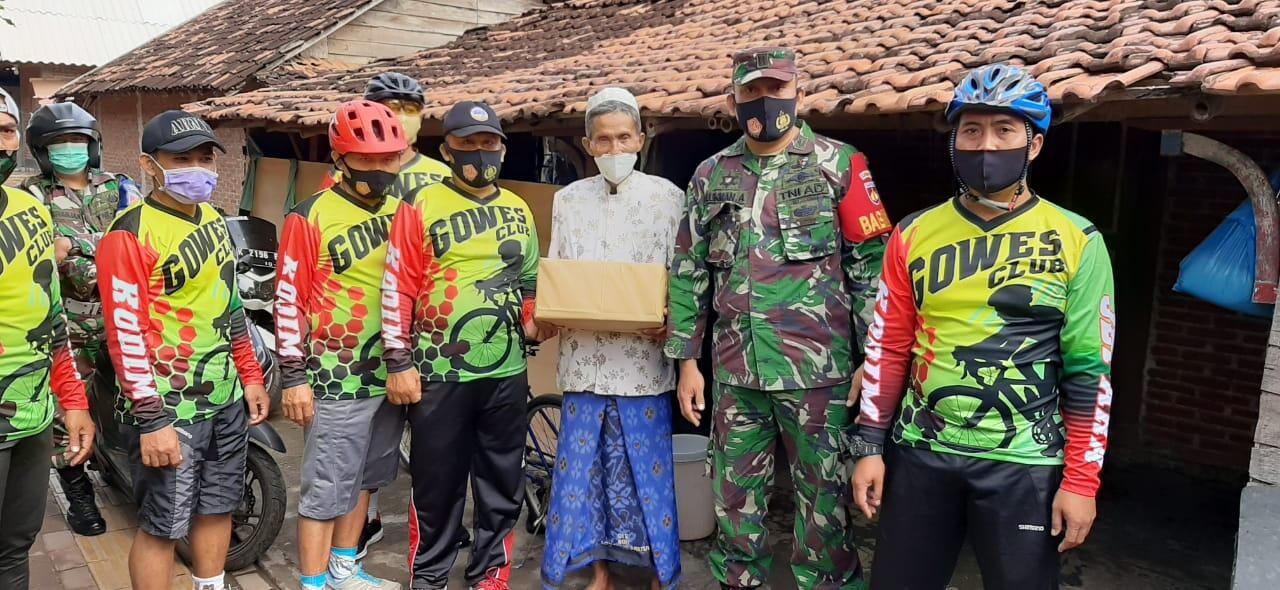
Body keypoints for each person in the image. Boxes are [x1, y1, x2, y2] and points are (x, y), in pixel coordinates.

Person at [851, 63, 1116, 589]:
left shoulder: (1079, 240)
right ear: (954, 142)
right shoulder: (912, 233)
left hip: (1025, 465)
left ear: (1034, 145)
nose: (986, 145)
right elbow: (888, 348)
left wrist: (1081, 482)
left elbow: (1090, 371)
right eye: (971, 130)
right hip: (921, 453)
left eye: (1004, 130)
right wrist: (868, 448)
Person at [666, 47, 890, 590]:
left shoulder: (842, 164)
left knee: (825, 512)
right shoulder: (709, 174)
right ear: (732, 100)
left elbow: (872, 271)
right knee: (734, 505)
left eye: (777, 89)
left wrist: (873, 361)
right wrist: (687, 364)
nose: (765, 101)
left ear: (800, 94)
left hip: (821, 376)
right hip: (736, 376)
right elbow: (687, 269)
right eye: (750, 92)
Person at [98, 110, 270, 590]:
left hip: (224, 396)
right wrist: (152, 421)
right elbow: (124, 333)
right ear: (150, 164)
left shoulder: (215, 219)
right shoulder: (128, 232)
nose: (197, 169)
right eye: (181, 159)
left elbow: (231, 304)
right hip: (168, 407)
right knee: (162, 524)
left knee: (219, 505)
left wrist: (250, 375)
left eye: (203, 158)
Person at [382, 100, 543, 590]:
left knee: (500, 481)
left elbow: (532, 282)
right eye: (467, 145)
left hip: (506, 371)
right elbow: (397, 285)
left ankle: (489, 574)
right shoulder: (420, 205)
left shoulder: (518, 208)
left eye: (488, 143)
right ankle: (428, 576)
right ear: (447, 150)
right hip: (437, 372)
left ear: (502, 147)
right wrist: (398, 360)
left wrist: (534, 320)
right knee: (436, 485)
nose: (479, 153)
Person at [539, 87, 684, 590]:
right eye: (603, 140)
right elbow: (558, 274)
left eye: (624, 137)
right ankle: (597, 570)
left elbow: (681, 280)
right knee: (587, 476)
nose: (614, 148)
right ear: (587, 144)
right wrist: (545, 316)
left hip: (644, 366)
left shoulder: (669, 197)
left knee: (646, 475)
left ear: (640, 138)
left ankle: (656, 573)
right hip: (583, 363)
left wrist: (671, 321)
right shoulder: (568, 201)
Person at [275, 100, 407, 590]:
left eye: (388, 158)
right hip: (336, 375)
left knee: (367, 479)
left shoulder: (404, 212)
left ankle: (344, 569)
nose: (378, 169)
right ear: (340, 158)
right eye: (365, 159)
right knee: (327, 488)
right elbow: (288, 299)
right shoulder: (310, 216)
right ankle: (312, 583)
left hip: (390, 373)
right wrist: (293, 376)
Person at [23, 101, 142, 538]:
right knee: (66, 415)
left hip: (120, 320)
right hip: (66, 328)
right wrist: (81, 257)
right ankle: (79, 495)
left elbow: (139, 240)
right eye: (58, 143)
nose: (69, 149)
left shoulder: (120, 188)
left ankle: (123, 471)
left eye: (77, 141)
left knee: (127, 401)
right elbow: (43, 257)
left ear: (92, 146)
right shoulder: (32, 196)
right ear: (42, 150)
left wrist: (73, 252)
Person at [353, 71, 456, 559]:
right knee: (372, 436)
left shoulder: (440, 175)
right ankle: (364, 520)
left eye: (410, 108)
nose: (399, 118)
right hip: (371, 326)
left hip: (434, 328)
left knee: (435, 443)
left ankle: (434, 528)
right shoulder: (352, 169)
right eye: (389, 107)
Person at [0, 88, 94, 590]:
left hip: (33, 415)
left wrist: (72, 400)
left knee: (16, 548)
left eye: (5, 130)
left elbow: (51, 315)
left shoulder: (28, 211)